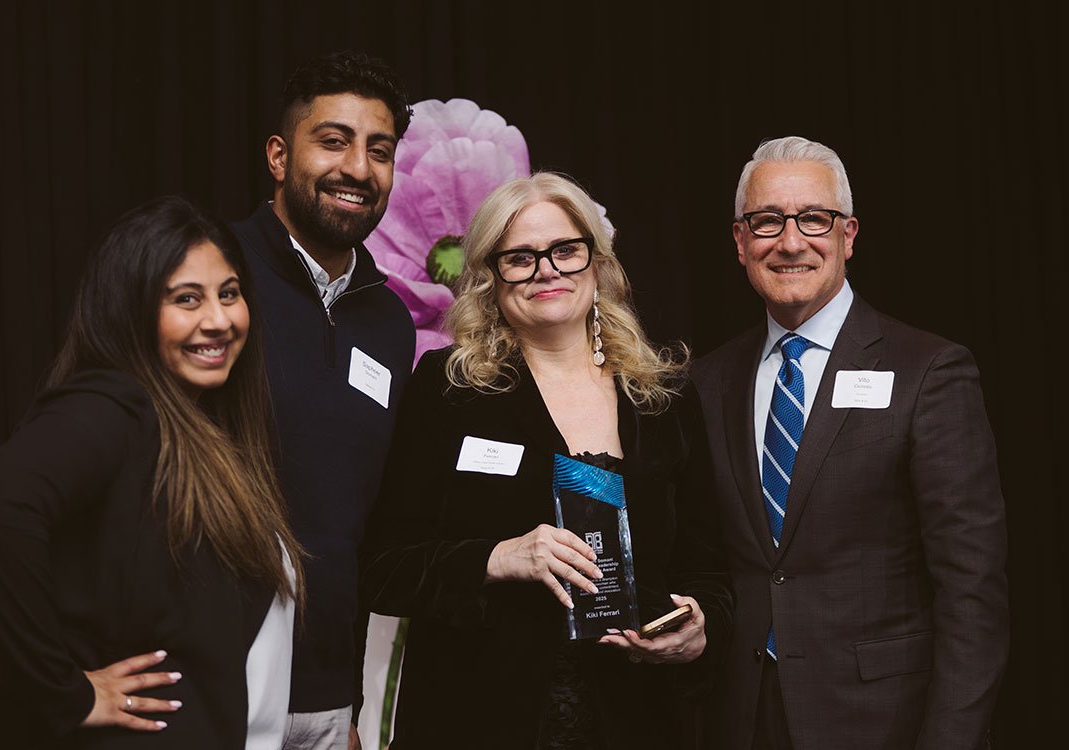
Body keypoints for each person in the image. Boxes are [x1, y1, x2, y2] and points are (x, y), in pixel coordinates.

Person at [360, 172, 732, 749]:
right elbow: (383, 568)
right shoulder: (450, 390)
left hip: (636, 719)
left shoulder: (663, 395)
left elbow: (708, 564)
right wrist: (499, 557)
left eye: (565, 250)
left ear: (596, 262)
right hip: (479, 720)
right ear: (488, 276)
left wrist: (700, 627)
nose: (547, 270)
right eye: (520, 257)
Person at [690, 136, 1009, 749]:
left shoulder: (928, 371)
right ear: (740, 242)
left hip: (886, 725)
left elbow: (973, 592)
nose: (790, 242)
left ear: (848, 236)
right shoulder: (708, 383)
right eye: (767, 222)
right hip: (743, 721)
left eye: (814, 219)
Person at [0, 196, 304, 749]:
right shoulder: (115, 404)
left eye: (229, 294)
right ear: (131, 310)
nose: (218, 320)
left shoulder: (201, 427)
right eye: (187, 299)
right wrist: (56, 690)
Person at [229, 51, 415, 750]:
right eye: (333, 141)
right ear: (280, 156)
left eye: (380, 150)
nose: (359, 170)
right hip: (212, 681)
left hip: (329, 704)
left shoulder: (390, 322)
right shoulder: (214, 274)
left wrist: (352, 703)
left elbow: (366, 524)